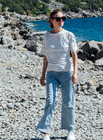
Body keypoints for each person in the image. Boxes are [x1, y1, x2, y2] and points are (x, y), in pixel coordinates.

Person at [36, 9, 78, 140]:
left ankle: (70, 130)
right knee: (50, 101)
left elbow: (74, 55)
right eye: (58, 19)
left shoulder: (69, 35)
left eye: (63, 18)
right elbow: (46, 57)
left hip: (67, 72)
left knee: (68, 102)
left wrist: (75, 73)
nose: (61, 21)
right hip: (51, 74)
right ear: (51, 20)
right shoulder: (46, 36)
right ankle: (46, 132)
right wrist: (43, 75)